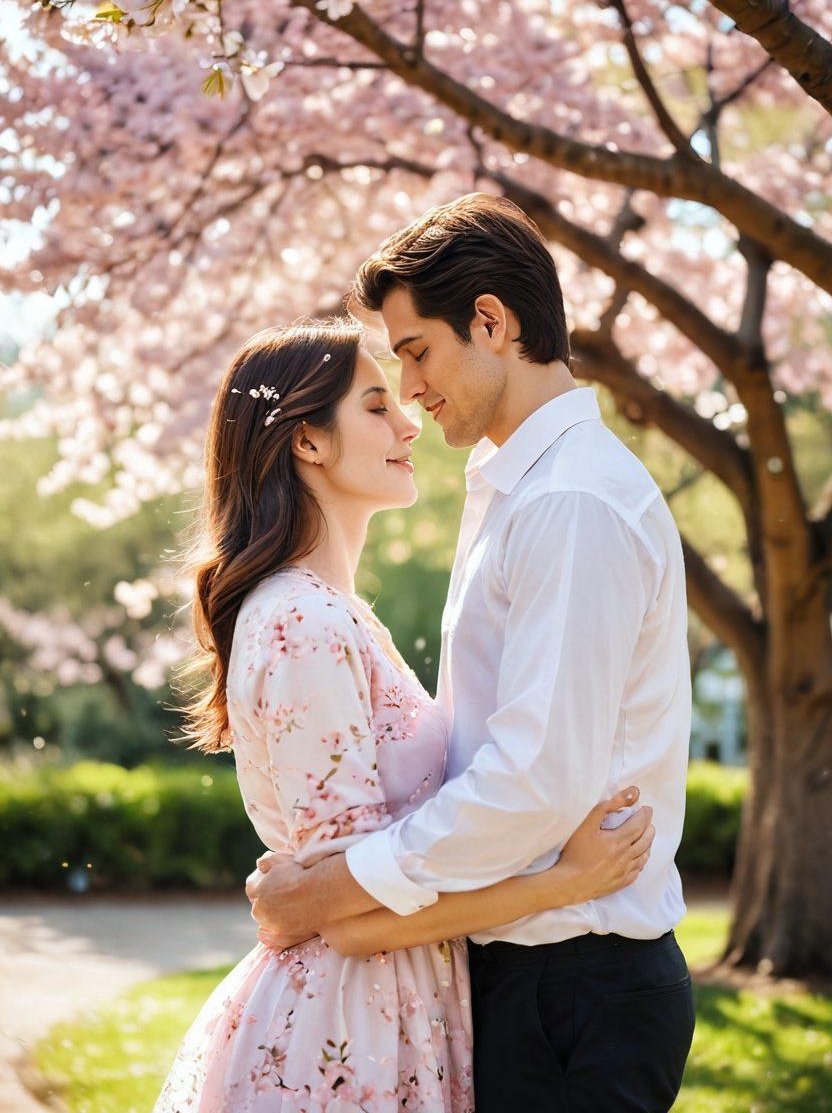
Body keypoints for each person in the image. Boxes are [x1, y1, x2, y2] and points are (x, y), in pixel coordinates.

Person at [247, 195, 696, 1113]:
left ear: (490, 321)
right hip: (521, 970)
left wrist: (335, 889)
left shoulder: (572, 502)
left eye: (416, 352)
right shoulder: (518, 488)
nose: (410, 389)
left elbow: (536, 781)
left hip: (579, 986)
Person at [153, 315, 655, 1113]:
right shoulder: (298, 621)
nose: (410, 420)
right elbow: (349, 923)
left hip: (397, 1010)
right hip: (343, 1035)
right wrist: (564, 881)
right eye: (377, 404)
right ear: (308, 443)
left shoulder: (337, 612)